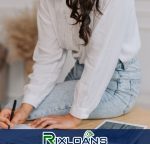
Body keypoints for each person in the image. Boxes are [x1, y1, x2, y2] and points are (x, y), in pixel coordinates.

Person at [0, 0, 141, 129]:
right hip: (80, 72)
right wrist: (25, 108)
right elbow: (48, 60)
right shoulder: (49, 2)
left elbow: (100, 62)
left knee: (16, 111)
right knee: (15, 110)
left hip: (116, 84)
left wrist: (74, 117)